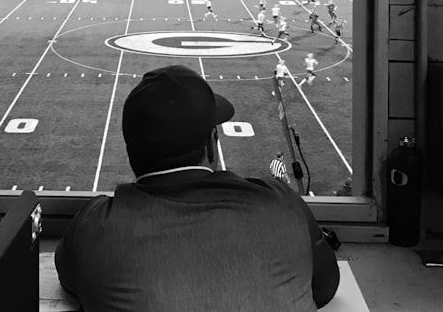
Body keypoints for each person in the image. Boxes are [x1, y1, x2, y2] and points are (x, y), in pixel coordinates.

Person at [55, 66, 340, 312]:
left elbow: (70, 278)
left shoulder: (94, 226)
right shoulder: (281, 203)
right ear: (211, 145)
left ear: (131, 151)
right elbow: (325, 285)